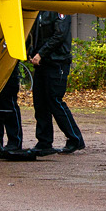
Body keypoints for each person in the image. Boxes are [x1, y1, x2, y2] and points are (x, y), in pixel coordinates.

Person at [29, 10, 84, 154]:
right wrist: (32, 53)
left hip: (57, 62)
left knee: (55, 101)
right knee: (40, 102)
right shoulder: (38, 11)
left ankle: (75, 138)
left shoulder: (60, 10)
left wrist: (41, 53)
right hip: (42, 63)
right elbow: (34, 34)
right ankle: (44, 141)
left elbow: (59, 34)